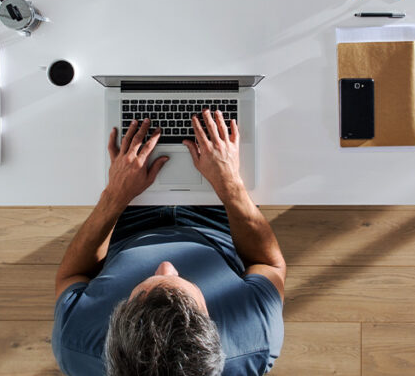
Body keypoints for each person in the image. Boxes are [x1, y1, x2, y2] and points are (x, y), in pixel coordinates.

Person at [53, 109, 286, 376]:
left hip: (125, 223)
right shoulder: (255, 341)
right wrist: (230, 184)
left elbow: (72, 275)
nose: (166, 266)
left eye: (138, 295)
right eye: (185, 284)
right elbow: (267, 263)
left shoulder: (76, 344)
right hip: (221, 220)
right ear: (213, 325)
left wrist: (115, 195)